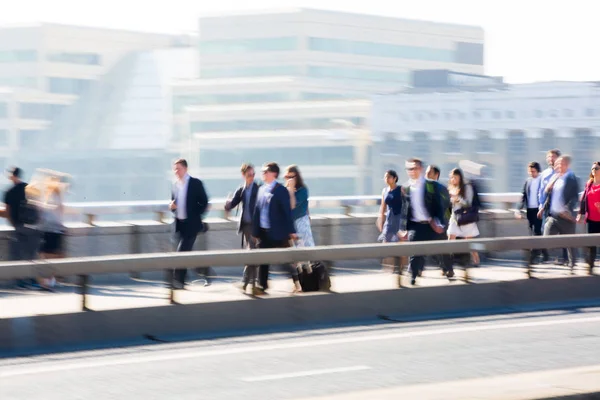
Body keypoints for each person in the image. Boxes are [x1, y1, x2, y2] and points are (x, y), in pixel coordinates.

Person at [397, 158, 448, 285]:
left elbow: (438, 206)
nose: (412, 171)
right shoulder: (406, 188)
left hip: (432, 224)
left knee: (440, 250)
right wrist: (402, 228)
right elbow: (404, 210)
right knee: (415, 252)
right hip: (416, 225)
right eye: (409, 169)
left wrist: (440, 223)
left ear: (420, 169)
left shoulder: (431, 185)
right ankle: (413, 276)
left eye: (414, 168)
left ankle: (447, 269)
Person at [252, 162, 299, 294]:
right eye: (262, 171)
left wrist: (291, 231)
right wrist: (255, 232)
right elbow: (257, 211)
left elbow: (287, 212)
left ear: (274, 174)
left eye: (266, 171)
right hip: (263, 232)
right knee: (263, 260)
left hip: (278, 232)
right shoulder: (261, 189)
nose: (263, 173)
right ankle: (262, 286)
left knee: (283, 260)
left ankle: (297, 281)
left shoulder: (280, 190)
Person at [170, 158, 210, 289]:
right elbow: (174, 203)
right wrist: (172, 207)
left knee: (181, 253)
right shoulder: (175, 185)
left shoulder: (195, 183)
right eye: (175, 168)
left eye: (178, 168)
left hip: (191, 225)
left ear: (185, 169)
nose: (176, 171)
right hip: (180, 225)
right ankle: (202, 274)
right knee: (186, 252)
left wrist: (196, 216)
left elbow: (204, 202)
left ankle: (177, 282)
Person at [539, 155, 580, 271]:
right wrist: (543, 208)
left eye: (560, 163)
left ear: (566, 164)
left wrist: (567, 209)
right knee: (546, 238)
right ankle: (557, 256)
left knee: (570, 243)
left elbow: (574, 197)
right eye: (556, 164)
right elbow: (549, 194)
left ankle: (572, 265)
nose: (557, 166)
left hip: (566, 216)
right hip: (554, 215)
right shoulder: (556, 178)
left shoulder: (571, 178)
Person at [224, 163, 260, 294]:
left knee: (252, 253)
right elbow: (233, 203)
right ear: (243, 175)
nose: (252, 177)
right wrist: (227, 204)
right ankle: (251, 284)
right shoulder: (242, 189)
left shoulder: (258, 188)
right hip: (245, 225)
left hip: (255, 226)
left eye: (253, 174)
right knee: (252, 253)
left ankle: (247, 282)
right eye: (249, 175)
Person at [2, 167, 39, 288]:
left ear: (12, 176)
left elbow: (7, 212)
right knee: (31, 254)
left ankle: (21, 282)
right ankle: (33, 280)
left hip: (18, 226)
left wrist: (13, 223)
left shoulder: (9, 192)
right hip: (32, 225)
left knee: (18, 255)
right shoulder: (28, 188)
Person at [35, 172, 70, 290]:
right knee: (48, 257)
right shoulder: (57, 197)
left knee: (46, 256)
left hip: (51, 231)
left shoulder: (53, 197)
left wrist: (40, 208)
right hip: (54, 231)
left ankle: (48, 282)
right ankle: (50, 281)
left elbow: (48, 214)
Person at [515, 161, 549, 264]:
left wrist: (543, 208)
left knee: (537, 232)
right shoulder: (528, 181)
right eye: (530, 171)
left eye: (533, 171)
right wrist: (518, 209)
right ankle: (545, 254)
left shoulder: (542, 180)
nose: (531, 173)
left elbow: (546, 195)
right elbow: (523, 196)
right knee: (533, 232)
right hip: (530, 210)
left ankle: (533, 256)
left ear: (538, 171)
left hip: (539, 210)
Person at [447, 168, 480, 268]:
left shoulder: (467, 187)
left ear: (460, 177)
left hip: (465, 217)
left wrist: (457, 198)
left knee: (469, 240)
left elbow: (468, 203)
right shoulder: (451, 187)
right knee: (450, 236)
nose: (453, 180)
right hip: (454, 217)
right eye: (451, 177)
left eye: (455, 177)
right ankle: (448, 260)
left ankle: (476, 260)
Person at [426, 165, 454, 278]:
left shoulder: (441, 188)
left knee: (443, 247)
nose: (426, 175)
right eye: (426, 172)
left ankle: (448, 269)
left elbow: (446, 204)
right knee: (431, 249)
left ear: (436, 175)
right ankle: (444, 267)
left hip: (441, 222)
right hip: (427, 223)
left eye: (429, 173)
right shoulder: (424, 187)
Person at [577, 161, 600, 274]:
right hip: (591, 218)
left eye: (596, 168)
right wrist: (580, 213)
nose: (594, 170)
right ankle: (590, 265)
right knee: (590, 243)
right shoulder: (589, 184)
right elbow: (583, 199)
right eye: (592, 168)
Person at [285, 165, 315, 248]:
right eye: (287, 177)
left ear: (297, 177)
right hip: (291, 223)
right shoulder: (285, 190)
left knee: (307, 245)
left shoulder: (302, 190)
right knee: (295, 249)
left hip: (301, 220)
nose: (289, 179)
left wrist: (291, 190)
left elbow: (293, 205)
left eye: (291, 177)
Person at [377, 170, 403, 243]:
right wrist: (380, 219)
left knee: (401, 244)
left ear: (395, 178)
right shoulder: (384, 190)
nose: (386, 179)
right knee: (386, 242)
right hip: (389, 220)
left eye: (389, 177)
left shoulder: (401, 189)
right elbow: (383, 206)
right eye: (385, 177)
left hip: (399, 219)